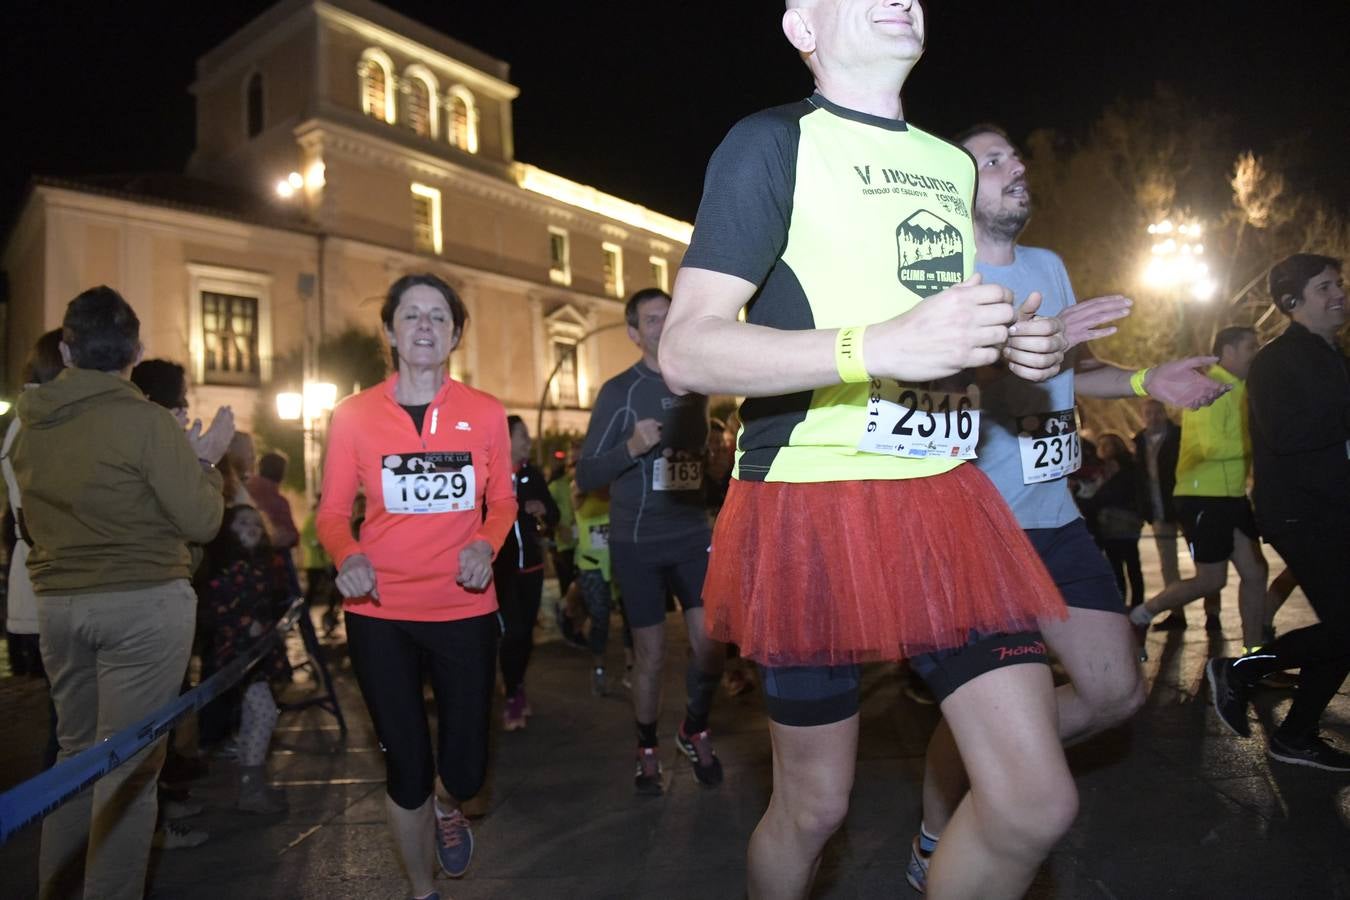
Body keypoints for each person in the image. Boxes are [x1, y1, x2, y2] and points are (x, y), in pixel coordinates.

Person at [658, 4, 1084, 893]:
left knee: (1036, 801)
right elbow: (688, 348)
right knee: (814, 809)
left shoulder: (946, 162)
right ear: (801, 25)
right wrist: (872, 347)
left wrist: (1016, 347)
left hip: (945, 499)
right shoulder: (769, 142)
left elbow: (939, 323)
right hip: (811, 503)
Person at [904, 124, 1226, 894]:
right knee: (1022, 765)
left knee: (1116, 693)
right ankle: (948, 821)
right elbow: (912, 383)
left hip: (1054, 522)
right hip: (971, 531)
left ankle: (991, 748)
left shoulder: (1047, 264)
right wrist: (1011, 343)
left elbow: (1076, 371)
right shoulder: (934, 267)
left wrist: (1148, 381)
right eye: (992, 160)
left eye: (1015, 154)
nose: (1015, 165)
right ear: (957, 187)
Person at [11, 286, 232, 900]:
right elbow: (201, 521)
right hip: (141, 607)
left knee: (73, 759)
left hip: (60, 606)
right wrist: (207, 463)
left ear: (67, 347)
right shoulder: (143, 421)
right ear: (134, 352)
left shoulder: (29, 426)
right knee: (128, 773)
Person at [318, 273, 515, 898]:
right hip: (379, 611)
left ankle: (448, 805)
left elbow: (503, 500)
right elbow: (328, 513)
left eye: (438, 316)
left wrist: (485, 543)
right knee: (406, 765)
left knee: (463, 769)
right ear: (390, 331)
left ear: (455, 334)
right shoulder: (352, 417)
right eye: (411, 315)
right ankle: (420, 889)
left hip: (463, 607)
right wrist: (347, 553)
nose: (424, 326)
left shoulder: (484, 413)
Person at [576, 287, 725, 794]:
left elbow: (699, 461)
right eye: (652, 319)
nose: (663, 325)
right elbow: (587, 471)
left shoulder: (698, 384)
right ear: (634, 332)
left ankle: (693, 727)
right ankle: (645, 746)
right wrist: (632, 446)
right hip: (637, 540)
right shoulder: (621, 391)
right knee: (653, 654)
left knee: (711, 644)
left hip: (690, 533)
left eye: (669, 315)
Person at [1207, 253, 1350, 770]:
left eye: (1339, 282)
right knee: (1347, 623)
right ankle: (1243, 673)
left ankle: (1295, 733)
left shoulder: (1335, 357)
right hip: (1299, 513)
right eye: (1324, 286)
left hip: (1335, 510)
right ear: (1292, 303)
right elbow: (1287, 436)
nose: (1339, 292)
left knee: (1342, 629)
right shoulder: (1276, 362)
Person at [1129, 327, 1268, 650]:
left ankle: (1253, 656)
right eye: (1251, 347)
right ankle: (1140, 615)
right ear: (1228, 351)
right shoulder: (1210, 387)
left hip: (1231, 496)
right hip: (1204, 496)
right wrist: (1261, 442)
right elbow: (1211, 446)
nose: (1256, 352)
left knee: (1255, 572)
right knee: (1211, 580)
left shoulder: (1240, 388)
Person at [195, 505, 292, 812]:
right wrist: (244, 623)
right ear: (228, 530)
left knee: (257, 716)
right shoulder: (226, 567)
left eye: (256, 523)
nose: (251, 527)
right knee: (263, 714)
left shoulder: (256, 563)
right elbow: (215, 607)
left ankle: (252, 787)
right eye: (242, 523)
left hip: (251, 657)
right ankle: (251, 791)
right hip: (235, 657)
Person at [1, 329, 65, 768]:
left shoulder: (28, 418)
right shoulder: (40, 420)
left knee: (69, 716)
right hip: (58, 576)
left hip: (51, 573)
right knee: (71, 723)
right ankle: (72, 831)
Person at [496, 415, 560, 731]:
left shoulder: (532, 475)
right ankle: (511, 694)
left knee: (524, 634)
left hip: (531, 568)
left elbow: (554, 514)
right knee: (513, 632)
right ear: (505, 439)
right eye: (522, 435)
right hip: (500, 571)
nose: (528, 441)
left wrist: (544, 509)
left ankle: (516, 685)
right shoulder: (488, 477)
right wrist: (523, 507)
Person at [1085, 433, 1145, 608]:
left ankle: (1137, 603)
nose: (1102, 449)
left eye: (1107, 445)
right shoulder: (1099, 469)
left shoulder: (1127, 468)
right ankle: (1121, 600)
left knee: (1132, 564)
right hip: (1107, 525)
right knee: (1115, 566)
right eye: (1100, 445)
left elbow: (1118, 492)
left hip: (1125, 522)